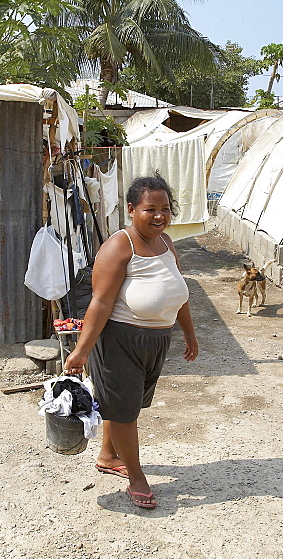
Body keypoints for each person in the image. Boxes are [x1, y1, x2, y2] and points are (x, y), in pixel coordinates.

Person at [63, 175, 198, 509]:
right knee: (125, 413)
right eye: (150, 209)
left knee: (126, 405)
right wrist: (82, 350)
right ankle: (137, 477)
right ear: (131, 209)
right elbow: (100, 303)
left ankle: (109, 455)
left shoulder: (166, 243)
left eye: (165, 209)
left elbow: (178, 293)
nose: (159, 216)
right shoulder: (119, 246)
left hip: (156, 341)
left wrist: (189, 333)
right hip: (120, 341)